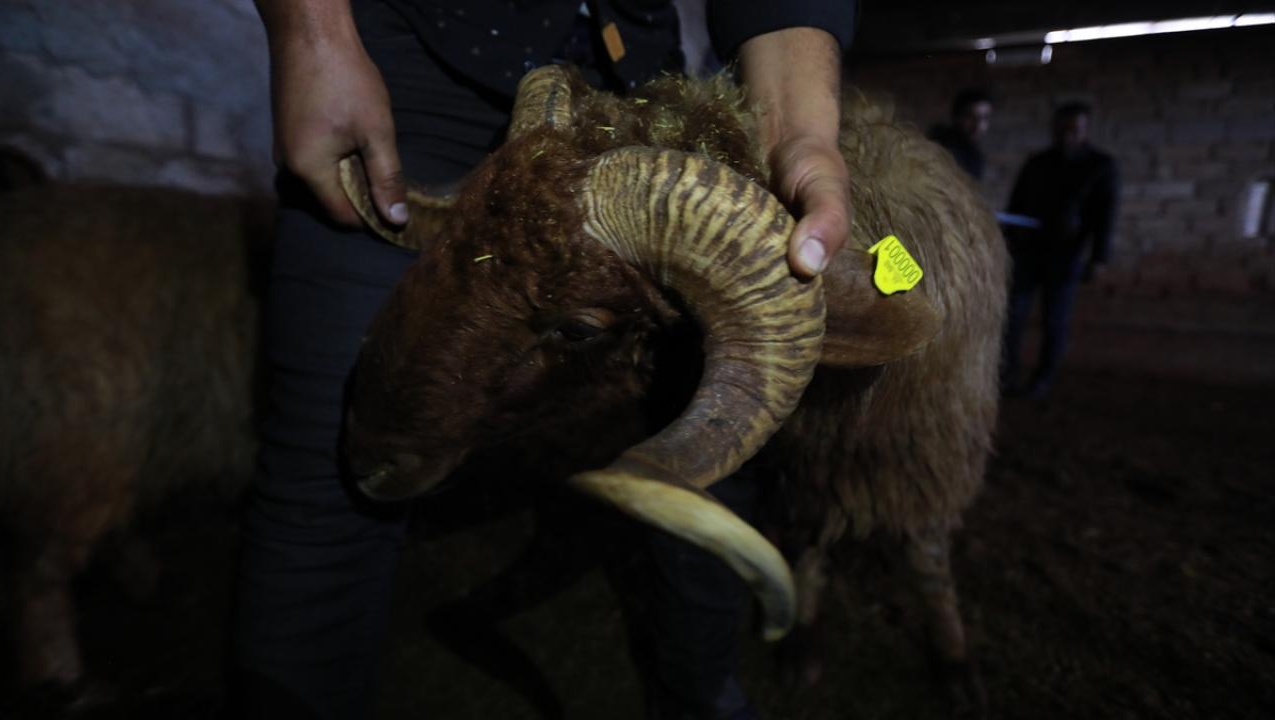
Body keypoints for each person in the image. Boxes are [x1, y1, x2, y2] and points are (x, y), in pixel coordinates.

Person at [234, 1, 857, 718]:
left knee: (709, 460)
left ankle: (702, 691)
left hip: (637, 87)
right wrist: (312, 33)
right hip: (406, 70)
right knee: (337, 467)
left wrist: (796, 129)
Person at [1001, 101, 1120, 398]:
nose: (1067, 135)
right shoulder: (1037, 163)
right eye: (1061, 128)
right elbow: (1015, 205)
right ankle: (1006, 376)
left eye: (1074, 129)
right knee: (1013, 316)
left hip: (1066, 256)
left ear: (1085, 130)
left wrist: (1099, 258)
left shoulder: (1100, 166)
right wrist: (1006, 244)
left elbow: (1105, 214)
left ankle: (1042, 380)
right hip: (1027, 252)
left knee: (1054, 321)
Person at [928, 88, 993, 181]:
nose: (979, 125)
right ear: (957, 116)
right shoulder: (940, 148)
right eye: (971, 117)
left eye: (985, 118)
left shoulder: (975, 156)